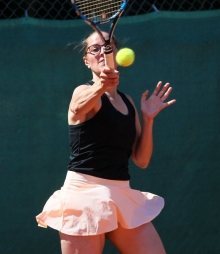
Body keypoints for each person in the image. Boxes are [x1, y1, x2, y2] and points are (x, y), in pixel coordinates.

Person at [36, 31, 176, 254]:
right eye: (95, 49)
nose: (102, 52)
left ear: (116, 54)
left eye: (108, 47)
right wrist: (101, 85)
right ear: (86, 60)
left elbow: (141, 160)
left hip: (122, 193)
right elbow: (78, 107)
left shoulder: (128, 102)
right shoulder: (82, 91)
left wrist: (148, 119)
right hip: (84, 194)